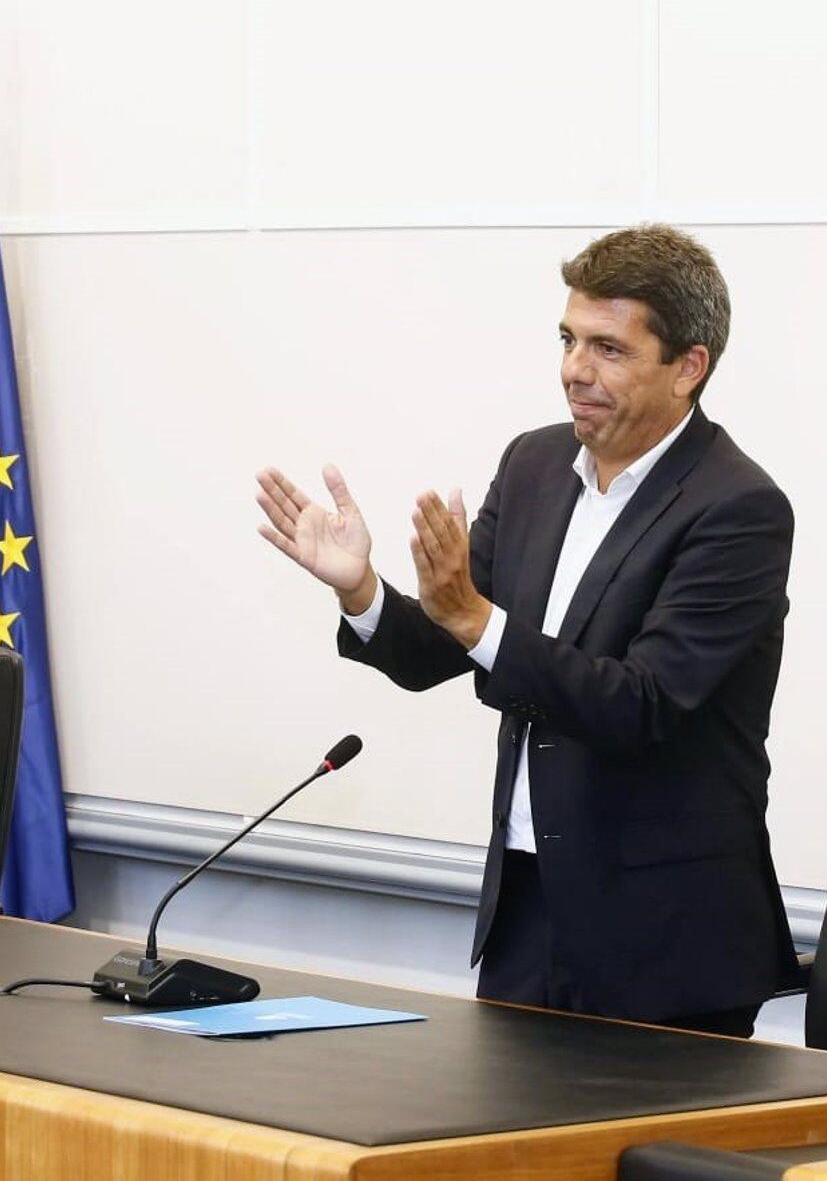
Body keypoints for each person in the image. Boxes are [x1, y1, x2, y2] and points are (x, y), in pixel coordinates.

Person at [256, 224, 796, 1035]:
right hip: (528, 907)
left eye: (609, 349)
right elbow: (444, 642)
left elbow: (641, 705)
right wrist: (363, 590)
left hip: (666, 939)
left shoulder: (737, 509)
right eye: (569, 340)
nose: (576, 369)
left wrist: (476, 619)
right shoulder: (536, 466)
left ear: (688, 367)